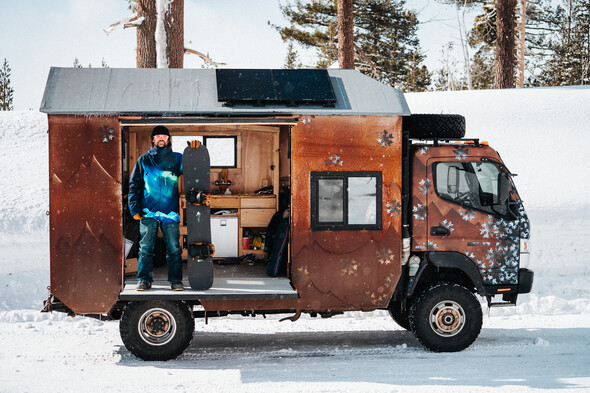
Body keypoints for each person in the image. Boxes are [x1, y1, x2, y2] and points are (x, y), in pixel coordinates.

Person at [128, 126, 184, 291]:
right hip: (148, 211)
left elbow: (194, 170)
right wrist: (134, 209)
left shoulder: (177, 159)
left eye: (164, 136)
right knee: (146, 248)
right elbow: (134, 186)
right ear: (153, 139)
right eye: (158, 136)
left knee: (174, 248)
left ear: (168, 139)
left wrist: (194, 153)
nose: (161, 138)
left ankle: (175, 281)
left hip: (170, 211)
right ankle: (144, 280)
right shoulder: (144, 160)